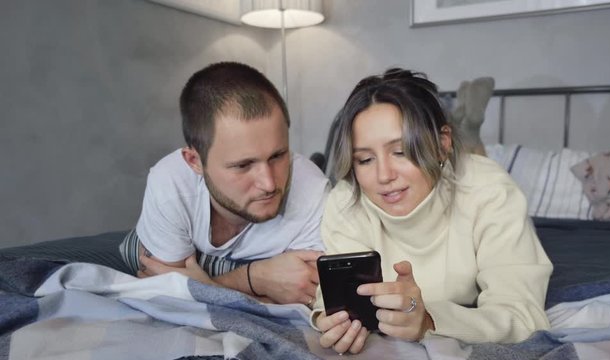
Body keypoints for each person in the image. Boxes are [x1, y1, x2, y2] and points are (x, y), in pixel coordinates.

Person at [311, 68, 552, 354]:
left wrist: (428, 320)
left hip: (466, 180)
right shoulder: (346, 200)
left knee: (470, 170)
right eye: (364, 159)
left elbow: (523, 315)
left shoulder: (491, 190)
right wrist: (330, 318)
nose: (384, 175)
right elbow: (330, 299)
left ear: (441, 144)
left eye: (400, 152)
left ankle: (469, 132)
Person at [119, 62, 330, 305]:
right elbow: (171, 297)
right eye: (243, 165)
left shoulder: (313, 192)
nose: (269, 184)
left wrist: (205, 285)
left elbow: (306, 298)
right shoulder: (171, 184)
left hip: (191, 254)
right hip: (155, 235)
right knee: (133, 252)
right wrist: (255, 278)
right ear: (195, 161)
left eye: (277, 156)